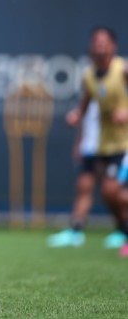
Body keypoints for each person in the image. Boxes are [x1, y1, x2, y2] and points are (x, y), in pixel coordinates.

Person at [59, 27, 128, 254]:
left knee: (111, 190)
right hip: (104, 143)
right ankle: (119, 231)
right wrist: (76, 115)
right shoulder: (88, 75)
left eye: (104, 41)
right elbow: (85, 105)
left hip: (125, 143)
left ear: (113, 46)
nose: (99, 45)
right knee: (101, 191)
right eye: (95, 41)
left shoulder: (122, 69)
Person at [47, 100, 127, 248]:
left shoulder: (119, 82)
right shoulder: (90, 83)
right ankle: (76, 230)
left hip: (115, 149)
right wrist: (79, 142)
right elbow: (84, 116)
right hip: (90, 148)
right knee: (83, 186)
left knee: (111, 192)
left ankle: (122, 229)